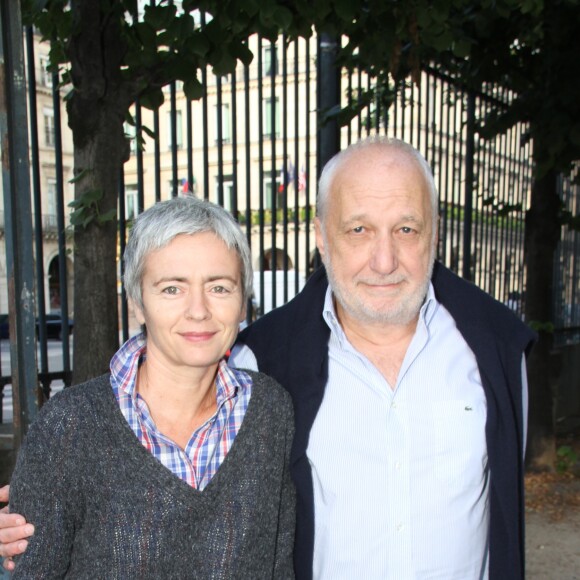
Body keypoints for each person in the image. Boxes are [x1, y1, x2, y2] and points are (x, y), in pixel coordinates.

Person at [0, 136, 535, 579]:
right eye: (358, 229)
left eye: (406, 228)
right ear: (322, 239)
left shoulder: (496, 353)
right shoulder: (268, 359)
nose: (384, 258)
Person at [0, 196, 295, 578]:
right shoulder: (69, 428)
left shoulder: (271, 411)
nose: (199, 309)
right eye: (172, 288)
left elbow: (278, 567)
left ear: (242, 304)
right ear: (137, 303)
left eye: (219, 287)